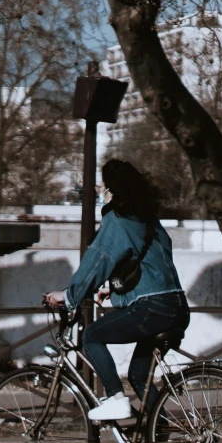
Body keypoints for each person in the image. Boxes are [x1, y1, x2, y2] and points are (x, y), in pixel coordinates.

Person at [46, 159, 188, 422]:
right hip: (176, 305)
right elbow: (150, 267)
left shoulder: (118, 219)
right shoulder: (148, 219)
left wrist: (68, 296)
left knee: (92, 335)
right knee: (139, 375)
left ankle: (115, 398)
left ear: (110, 190)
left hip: (152, 308)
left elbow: (97, 261)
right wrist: (115, 290)